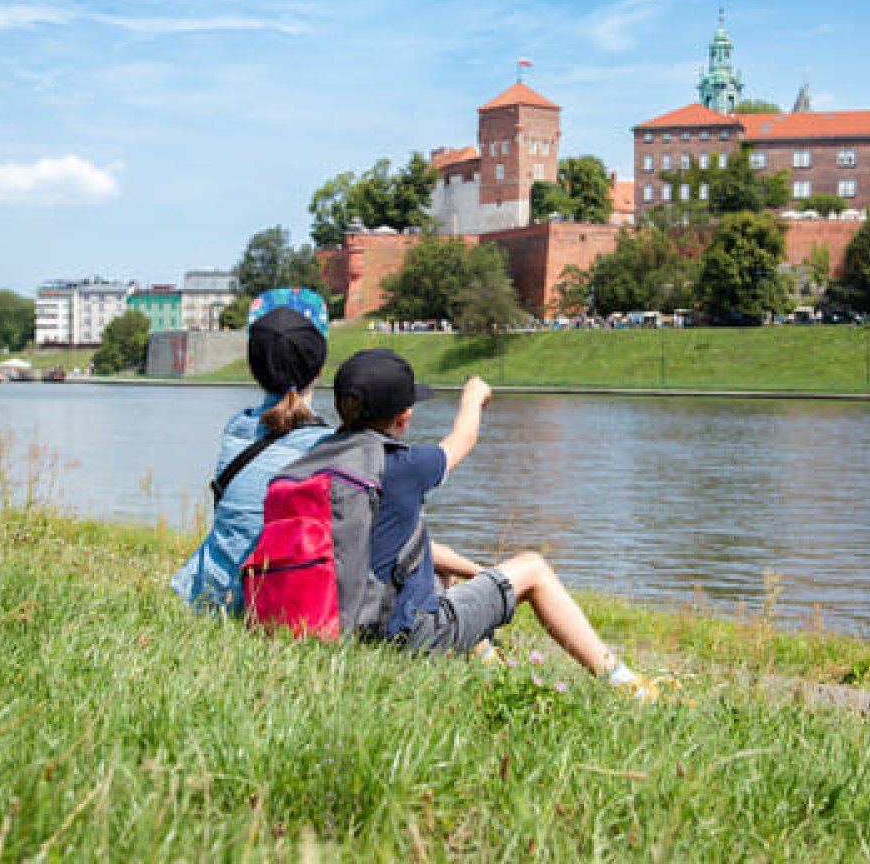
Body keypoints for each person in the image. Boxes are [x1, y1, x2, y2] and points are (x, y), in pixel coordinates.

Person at [332, 348, 654, 696]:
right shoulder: (405, 465)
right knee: (533, 569)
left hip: (345, 625)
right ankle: (625, 685)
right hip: (405, 637)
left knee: (441, 570)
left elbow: (407, 546)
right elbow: (462, 441)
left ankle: (483, 655)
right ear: (405, 416)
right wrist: (473, 398)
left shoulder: (322, 459)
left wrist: (480, 572)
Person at [171, 288, 333, 613]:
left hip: (205, 597)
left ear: (253, 369)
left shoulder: (237, 429)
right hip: (272, 603)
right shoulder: (329, 448)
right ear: (320, 367)